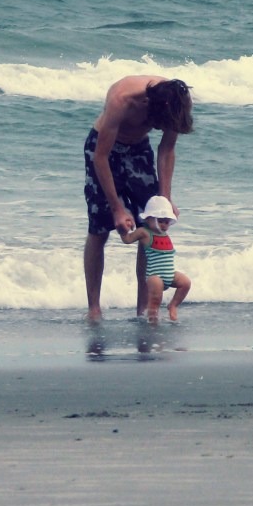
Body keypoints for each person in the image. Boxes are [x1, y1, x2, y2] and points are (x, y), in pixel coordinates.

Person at [83, 75, 193, 321]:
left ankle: (144, 309)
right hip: (103, 150)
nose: (157, 127)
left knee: (150, 226)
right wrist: (117, 209)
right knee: (99, 229)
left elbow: (166, 149)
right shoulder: (122, 100)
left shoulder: (178, 102)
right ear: (148, 104)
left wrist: (165, 199)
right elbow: (100, 158)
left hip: (139, 150)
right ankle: (94, 308)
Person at [117, 195, 191, 324]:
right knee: (155, 299)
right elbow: (127, 240)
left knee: (186, 283)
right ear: (149, 218)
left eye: (166, 222)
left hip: (169, 274)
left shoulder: (164, 234)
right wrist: (123, 231)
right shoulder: (144, 232)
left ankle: (173, 305)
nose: (163, 225)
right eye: (160, 221)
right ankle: (152, 317)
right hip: (154, 276)